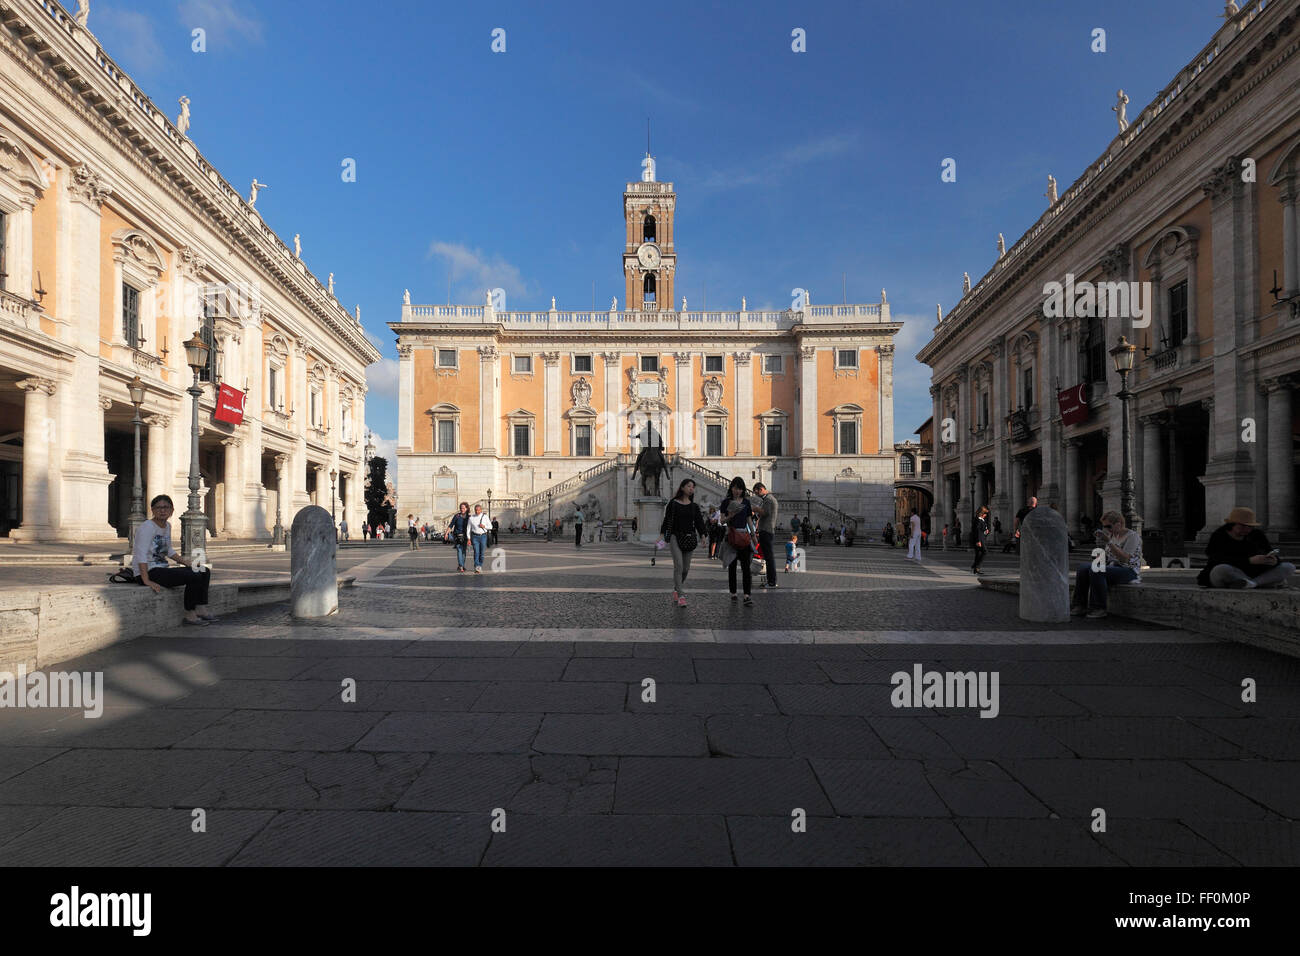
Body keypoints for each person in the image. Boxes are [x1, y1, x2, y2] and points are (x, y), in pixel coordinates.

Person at [133, 494, 213, 625]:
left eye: (166, 507)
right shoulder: (147, 527)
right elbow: (140, 554)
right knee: (193, 575)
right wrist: (146, 580)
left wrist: (187, 563)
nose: (162, 510)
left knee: (203, 571)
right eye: (158, 508)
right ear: (152, 510)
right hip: (149, 572)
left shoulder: (167, 526)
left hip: (161, 569)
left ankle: (201, 608)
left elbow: (168, 550)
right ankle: (190, 614)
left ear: (172, 510)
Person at [1198, 507, 1296, 590]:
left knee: (1289, 567)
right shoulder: (1219, 536)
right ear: (1232, 525)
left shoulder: (1257, 535)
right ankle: (1262, 582)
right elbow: (1216, 559)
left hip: (1255, 574)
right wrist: (1249, 561)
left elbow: (1269, 552)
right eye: (1242, 526)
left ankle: (1251, 584)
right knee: (1221, 569)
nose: (1247, 529)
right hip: (1231, 573)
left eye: (1250, 526)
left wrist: (1274, 561)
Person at [1071, 510, 1142, 618]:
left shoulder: (1132, 536)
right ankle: (1080, 606)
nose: (1107, 529)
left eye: (1109, 526)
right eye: (1105, 527)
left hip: (1129, 571)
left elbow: (1125, 559)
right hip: (1112, 567)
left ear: (1119, 524)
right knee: (1083, 568)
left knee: (1096, 569)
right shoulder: (1112, 536)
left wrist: (1109, 542)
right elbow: (1109, 558)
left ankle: (1099, 608)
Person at [658, 478, 708, 607]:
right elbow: (667, 520)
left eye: (693, 487)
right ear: (682, 488)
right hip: (675, 536)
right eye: (689, 486)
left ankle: (676, 587)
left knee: (686, 569)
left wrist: (703, 535)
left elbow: (699, 522)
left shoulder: (694, 506)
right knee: (679, 566)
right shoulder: (673, 503)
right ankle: (681, 595)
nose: (691, 489)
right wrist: (662, 535)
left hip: (689, 537)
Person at [718, 476, 756, 605]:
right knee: (732, 567)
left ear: (743, 490)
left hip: (744, 536)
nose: (737, 491)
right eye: (735, 488)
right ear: (731, 488)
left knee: (746, 567)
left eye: (740, 489)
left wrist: (754, 535)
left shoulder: (746, 502)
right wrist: (731, 515)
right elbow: (722, 521)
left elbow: (749, 519)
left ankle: (747, 595)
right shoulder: (726, 502)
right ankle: (733, 592)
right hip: (731, 537)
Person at [753, 482, 780, 589]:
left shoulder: (768, 499)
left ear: (760, 489)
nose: (756, 495)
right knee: (768, 557)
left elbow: (765, 512)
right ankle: (770, 580)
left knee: (769, 558)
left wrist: (754, 508)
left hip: (767, 530)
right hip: (767, 530)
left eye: (756, 493)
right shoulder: (768, 499)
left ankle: (772, 582)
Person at [444, 502, 471, 572]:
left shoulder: (469, 517)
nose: (462, 509)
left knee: (464, 551)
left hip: (465, 536)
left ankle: (462, 565)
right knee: (459, 550)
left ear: (467, 508)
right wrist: (446, 533)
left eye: (463, 508)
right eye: (461, 508)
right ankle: (461, 566)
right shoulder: (457, 516)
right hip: (457, 535)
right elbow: (451, 525)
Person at [468, 503, 491, 572]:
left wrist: (484, 526)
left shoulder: (485, 517)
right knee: (476, 552)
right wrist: (468, 538)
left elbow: (491, 527)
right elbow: (468, 529)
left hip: (483, 536)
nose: (477, 511)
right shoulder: (471, 518)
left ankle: (480, 565)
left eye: (478, 510)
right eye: (476, 510)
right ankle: (477, 566)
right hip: (475, 536)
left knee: (482, 553)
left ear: (481, 510)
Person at [971, 505, 990, 574]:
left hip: (981, 538)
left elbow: (981, 530)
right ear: (982, 513)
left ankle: (976, 567)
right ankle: (977, 566)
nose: (986, 515)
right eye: (986, 514)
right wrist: (978, 541)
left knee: (978, 553)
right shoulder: (978, 520)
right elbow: (977, 531)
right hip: (980, 539)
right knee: (985, 552)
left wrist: (985, 531)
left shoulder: (980, 520)